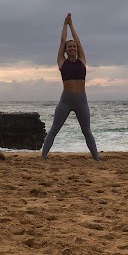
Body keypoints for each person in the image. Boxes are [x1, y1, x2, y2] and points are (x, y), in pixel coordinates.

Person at [41, 13, 100, 161]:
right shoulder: (62, 62)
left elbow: (78, 41)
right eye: (70, 47)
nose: (72, 48)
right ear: (66, 50)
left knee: (86, 131)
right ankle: (42, 158)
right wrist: (65, 24)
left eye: (74, 46)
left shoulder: (82, 60)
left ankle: (97, 159)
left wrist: (72, 25)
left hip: (81, 101)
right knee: (54, 129)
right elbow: (62, 41)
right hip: (66, 100)